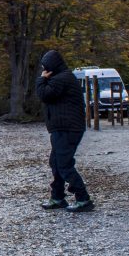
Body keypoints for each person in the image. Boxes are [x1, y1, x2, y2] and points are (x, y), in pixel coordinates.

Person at [36, 50, 94, 212]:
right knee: (56, 163)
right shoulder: (62, 77)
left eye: (45, 66)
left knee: (64, 165)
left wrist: (41, 79)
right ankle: (58, 197)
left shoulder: (61, 79)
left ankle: (83, 199)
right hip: (63, 128)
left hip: (67, 128)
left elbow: (44, 95)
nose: (44, 69)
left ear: (52, 65)